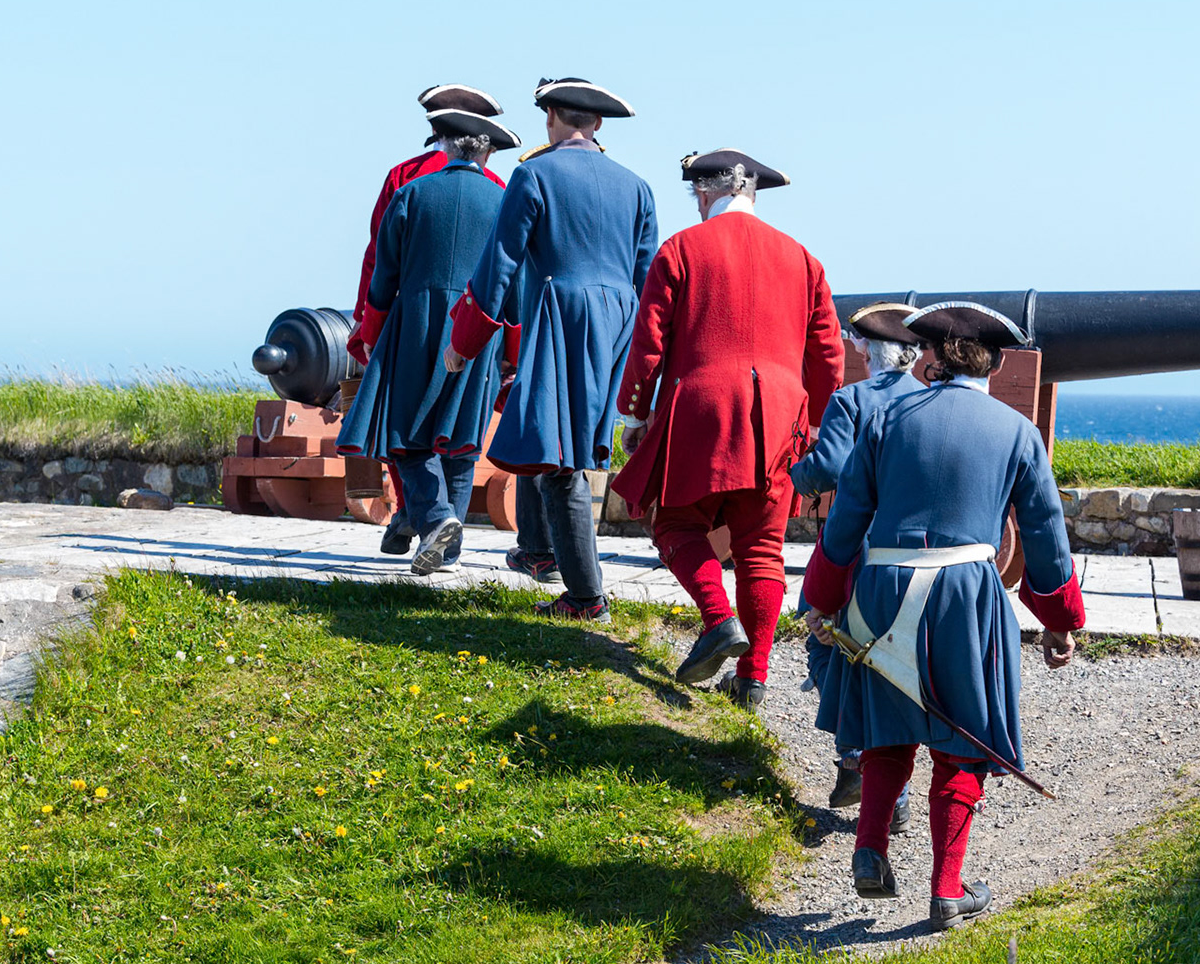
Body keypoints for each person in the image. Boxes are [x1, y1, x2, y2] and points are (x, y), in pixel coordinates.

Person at [801, 301, 1085, 932]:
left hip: (881, 585)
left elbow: (846, 519)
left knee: (887, 724)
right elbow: (1045, 533)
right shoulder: (1018, 432)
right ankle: (947, 890)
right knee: (962, 743)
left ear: (932, 357)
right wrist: (1059, 619)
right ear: (995, 363)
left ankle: (870, 846)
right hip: (966, 597)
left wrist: (822, 597)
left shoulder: (887, 418)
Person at [609, 147, 843, 706]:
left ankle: (718, 620)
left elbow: (649, 343)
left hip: (702, 409)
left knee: (675, 524)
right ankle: (753, 677)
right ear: (751, 193)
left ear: (703, 192)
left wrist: (635, 414)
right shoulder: (804, 259)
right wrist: (814, 426)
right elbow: (828, 356)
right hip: (781, 420)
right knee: (762, 549)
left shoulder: (681, 248)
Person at [446, 78, 658, 622]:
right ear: (598, 124)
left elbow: (499, 265)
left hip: (565, 317)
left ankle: (586, 598)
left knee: (561, 458)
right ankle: (541, 554)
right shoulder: (637, 186)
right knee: (554, 443)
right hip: (620, 324)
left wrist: (464, 342)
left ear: (550, 117)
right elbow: (647, 280)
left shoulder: (534, 174)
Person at [339, 109, 524, 573]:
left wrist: (371, 334)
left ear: (444, 145)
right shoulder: (505, 201)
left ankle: (439, 519)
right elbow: (515, 286)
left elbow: (383, 277)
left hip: (415, 325)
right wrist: (512, 351)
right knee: (461, 440)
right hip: (478, 328)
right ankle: (449, 553)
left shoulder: (411, 192)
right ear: (488, 153)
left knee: (405, 436)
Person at [790, 304, 927, 811]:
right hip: (914, 553)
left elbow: (830, 467)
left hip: (856, 552)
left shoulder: (850, 400)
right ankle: (895, 790)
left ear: (866, 351)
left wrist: (796, 475)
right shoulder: (930, 400)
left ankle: (853, 757)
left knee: (825, 641)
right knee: (897, 661)